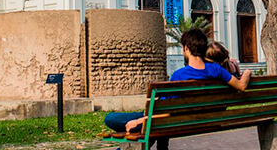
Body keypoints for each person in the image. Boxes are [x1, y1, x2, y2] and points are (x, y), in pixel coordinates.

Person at [103, 28, 251, 150]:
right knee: (154, 128)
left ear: (186, 48)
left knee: (110, 118)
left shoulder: (180, 75)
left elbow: (165, 111)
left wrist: (140, 120)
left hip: (167, 120)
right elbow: (241, 85)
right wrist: (247, 72)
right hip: (192, 121)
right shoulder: (216, 70)